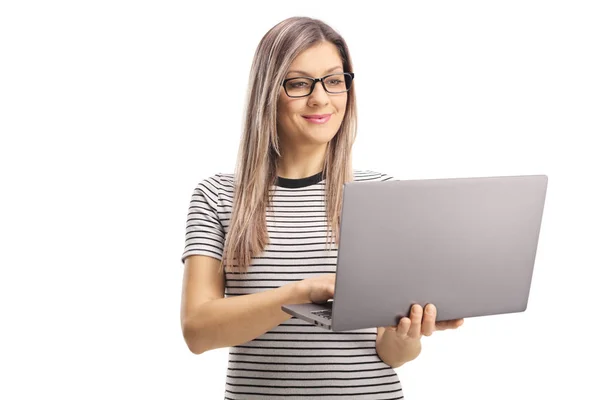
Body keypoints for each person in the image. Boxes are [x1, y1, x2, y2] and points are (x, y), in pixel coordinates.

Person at [180, 16, 464, 399]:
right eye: (298, 83)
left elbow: (394, 354)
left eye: (334, 81)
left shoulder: (381, 194)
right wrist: (301, 293)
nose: (320, 98)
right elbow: (198, 331)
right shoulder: (218, 196)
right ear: (268, 92)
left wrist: (406, 333)